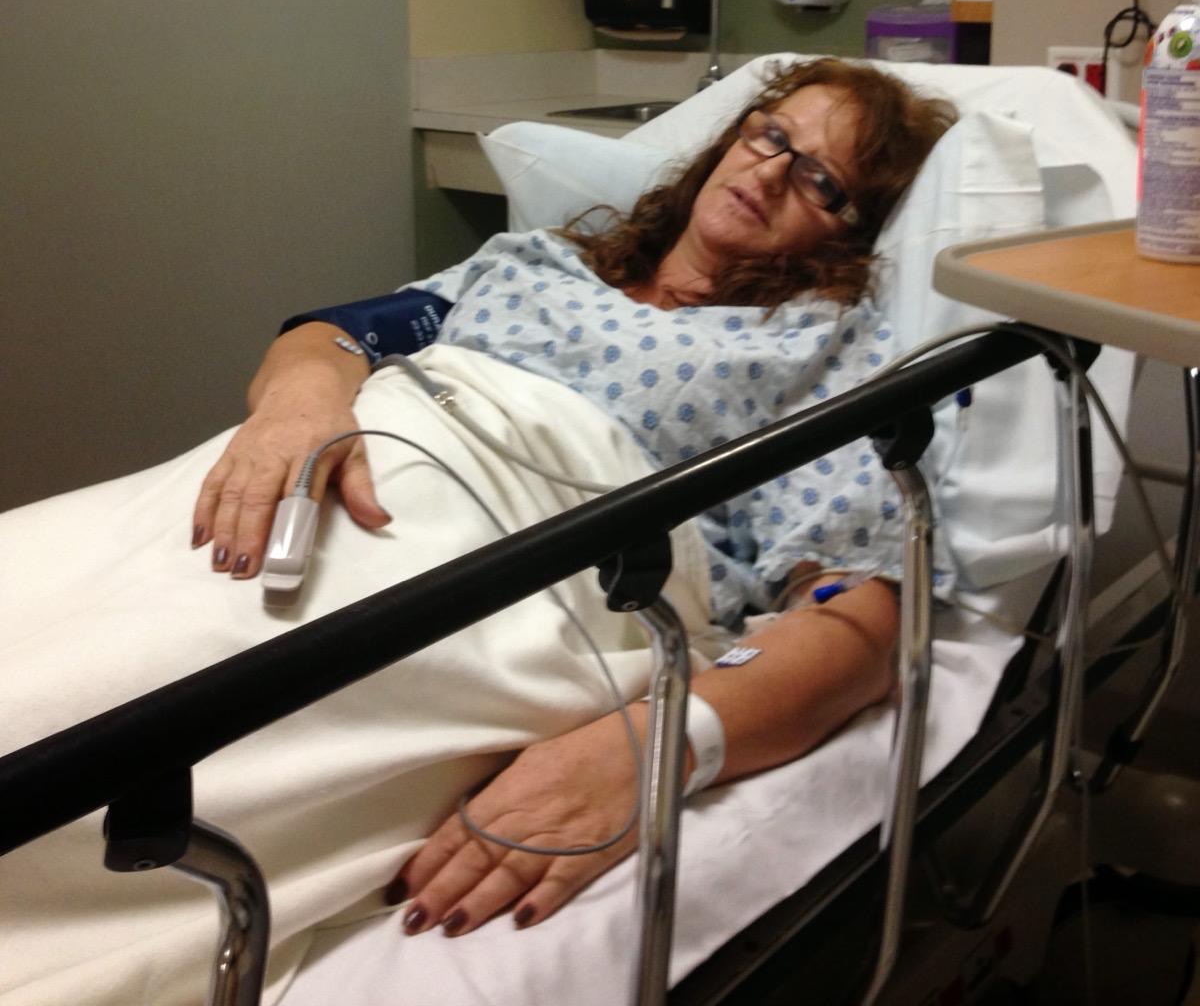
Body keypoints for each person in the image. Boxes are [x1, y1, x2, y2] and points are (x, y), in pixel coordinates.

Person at [187, 57, 956, 943]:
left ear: (853, 236)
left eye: (821, 180)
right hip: (308, 496)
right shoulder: (537, 261)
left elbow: (855, 617)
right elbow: (340, 333)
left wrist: (653, 746)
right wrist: (301, 401)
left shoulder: (818, 348)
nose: (773, 171)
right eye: (771, 136)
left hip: (481, 579)